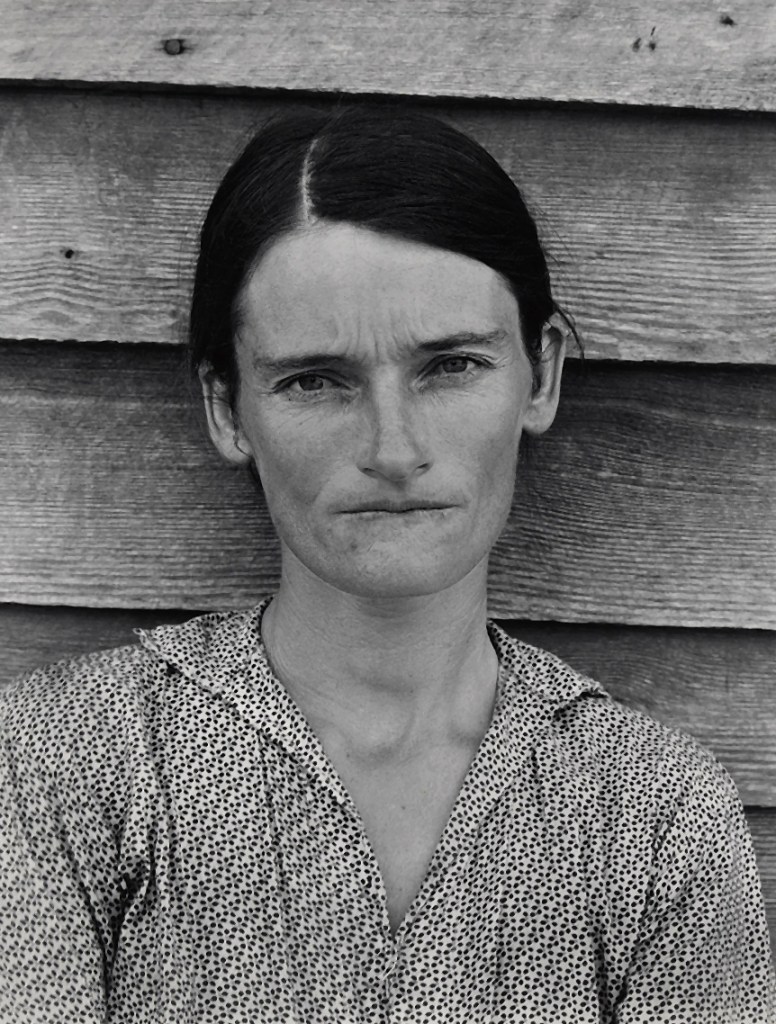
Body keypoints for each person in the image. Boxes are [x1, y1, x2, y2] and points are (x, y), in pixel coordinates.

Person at [1, 107, 773, 1024]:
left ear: (541, 375)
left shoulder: (654, 813)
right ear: (227, 408)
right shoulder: (60, 763)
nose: (394, 450)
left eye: (451, 366)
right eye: (314, 380)